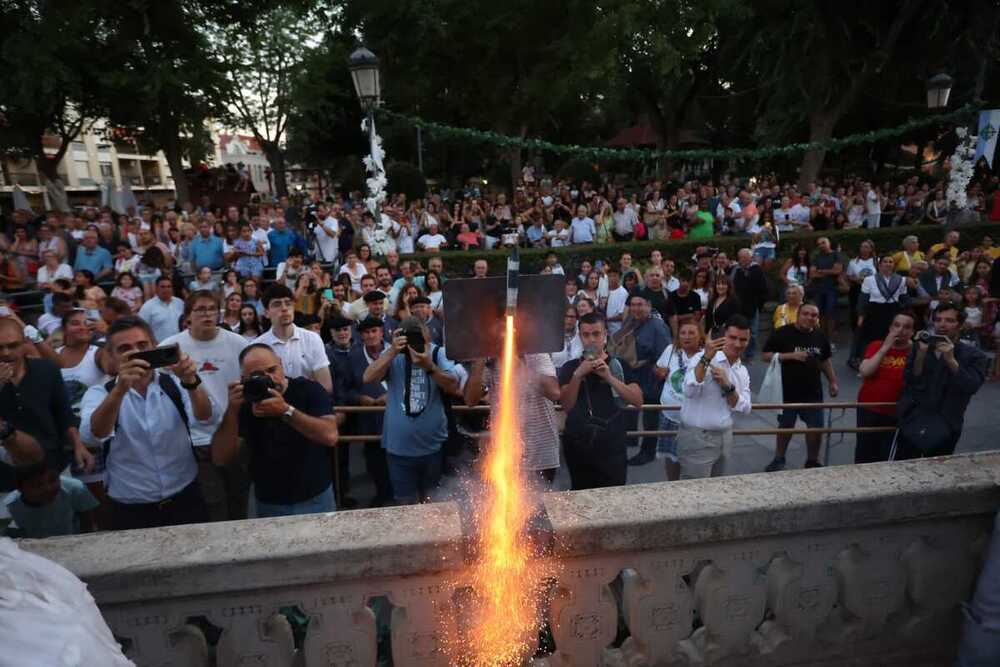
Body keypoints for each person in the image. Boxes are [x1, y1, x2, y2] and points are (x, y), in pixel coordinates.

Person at [79, 316, 215, 530]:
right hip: (131, 508)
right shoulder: (99, 393)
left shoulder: (174, 383)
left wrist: (191, 380)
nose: (136, 353)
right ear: (112, 357)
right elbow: (92, 435)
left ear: (154, 346)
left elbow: (205, 415)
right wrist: (120, 390)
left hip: (186, 498)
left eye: (143, 345)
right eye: (125, 349)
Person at [211, 344, 339, 517]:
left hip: (314, 496)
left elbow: (330, 436)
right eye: (258, 376)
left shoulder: (309, 390)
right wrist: (232, 410)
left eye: (272, 369)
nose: (269, 378)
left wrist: (286, 411)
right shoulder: (244, 402)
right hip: (268, 501)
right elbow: (221, 458)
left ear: (281, 363)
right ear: (243, 378)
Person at [161, 291, 249, 522]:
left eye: (212, 308)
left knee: (239, 498)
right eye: (200, 309)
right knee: (213, 504)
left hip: (234, 435)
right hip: (195, 439)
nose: (207, 314)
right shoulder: (171, 347)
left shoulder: (238, 343)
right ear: (188, 316)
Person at [362, 316, 460, 504]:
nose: (415, 342)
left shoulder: (438, 353)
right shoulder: (392, 355)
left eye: (418, 336)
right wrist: (392, 351)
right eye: (410, 337)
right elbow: (367, 377)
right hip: (398, 449)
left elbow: (453, 386)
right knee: (405, 503)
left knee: (434, 504)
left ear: (428, 335)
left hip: (433, 447)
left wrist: (429, 366)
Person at [558, 312, 643, 490]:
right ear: (580, 336)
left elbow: (637, 400)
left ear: (605, 335)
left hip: (612, 443)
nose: (591, 340)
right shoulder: (570, 367)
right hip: (578, 443)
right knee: (580, 498)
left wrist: (610, 378)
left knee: (614, 497)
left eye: (596, 334)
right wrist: (577, 375)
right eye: (586, 335)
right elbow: (566, 405)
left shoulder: (619, 365)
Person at [894, 304, 988, 460]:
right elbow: (910, 381)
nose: (942, 324)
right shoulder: (921, 347)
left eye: (949, 320)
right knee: (902, 470)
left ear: (961, 324)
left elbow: (971, 386)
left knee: (939, 474)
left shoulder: (974, 355)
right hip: (913, 419)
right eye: (938, 320)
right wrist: (921, 355)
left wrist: (951, 361)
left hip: (947, 422)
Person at [762, 302, 839, 471]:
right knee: (785, 427)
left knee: (816, 429)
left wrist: (833, 381)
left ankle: (812, 460)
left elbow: (825, 360)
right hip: (787, 391)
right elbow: (766, 355)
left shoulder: (820, 336)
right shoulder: (783, 333)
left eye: (814, 315)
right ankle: (779, 458)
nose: (810, 317)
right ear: (798, 314)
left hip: (813, 392)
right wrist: (791, 356)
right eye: (806, 314)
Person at [465, 352, 562, 487]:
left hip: (540, 453)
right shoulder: (491, 360)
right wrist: (479, 362)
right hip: (506, 455)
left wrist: (520, 367)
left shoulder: (537, 355)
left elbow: (554, 392)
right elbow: (470, 400)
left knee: (538, 505)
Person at [676, 316, 752, 479]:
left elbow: (744, 407)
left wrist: (728, 385)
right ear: (724, 337)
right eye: (733, 338)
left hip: (725, 437)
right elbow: (690, 391)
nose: (738, 344)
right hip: (698, 438)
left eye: (743, 340)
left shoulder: (742, 370)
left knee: (716, 492)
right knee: (695, 494)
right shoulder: (701, 358)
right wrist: (706, 358)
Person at [0, 318, 79, 473]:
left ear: (24, 344)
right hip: (7, 467)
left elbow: (64, 414)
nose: (6, 353)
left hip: (51, 462)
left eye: (13, 345)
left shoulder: (46, 369)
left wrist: (78, 445)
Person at [345, 316, 394, 506]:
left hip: (397, 416)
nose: (371, 335)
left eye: (374, 331)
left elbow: (412, 380)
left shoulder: (396, 351)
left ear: (382, 332)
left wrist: (392, 395)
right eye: (366, 332)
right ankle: (382, 494)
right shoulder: (354, 357)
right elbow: (346, 388)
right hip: (370, 420)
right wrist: (358, 398)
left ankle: (402, 495)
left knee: (398, 457)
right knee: (375, 461)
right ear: (361, 336)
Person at [854, 312, 915, 463]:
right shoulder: (876, 345)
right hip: (868, 408)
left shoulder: (916, 351)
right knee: (863, 451)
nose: (901, 330)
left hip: (895, 411)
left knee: (884, 454)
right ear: (890, 328)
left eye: (906, 327)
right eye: (897, 325)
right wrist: (885, 348)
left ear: (912, 332)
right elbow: (865, 371)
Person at [253, 285, 332, 393]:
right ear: (266, 313)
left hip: (308, 406)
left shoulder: (313, 339)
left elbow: (326, 386)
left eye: (288, 303)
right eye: (277, 304)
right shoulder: (257, 346)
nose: (284, 308)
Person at [621, 294, 670, 467]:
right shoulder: (633, 321)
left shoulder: (658, 326)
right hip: (633, 377)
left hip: (651, 379)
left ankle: (648, 451)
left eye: (640, 304)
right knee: (629, 411)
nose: (636, 308)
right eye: (633, 305)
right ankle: (631, 439)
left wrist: (644, 363)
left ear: (648, 305)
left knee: (650, 416)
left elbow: (665, 356)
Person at [653, 322, 703, 481]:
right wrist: (659, 372)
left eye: (691, 332)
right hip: (669, 416)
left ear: (700, 335)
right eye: (683, 333)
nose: (687, 336)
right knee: (670, 456)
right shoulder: (671, 350)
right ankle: (672, 484)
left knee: (692, 458)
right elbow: (657, 367)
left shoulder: (705, 357)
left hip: (694, 420)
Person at [4, 462, 98, 538]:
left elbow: (88, 528)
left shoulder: (75, 489)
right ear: (20, 488)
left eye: (53, 480)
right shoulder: (10, 508)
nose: (48, 488)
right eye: (38, 485)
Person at [855, 255, 907, 365]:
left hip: (892, 311)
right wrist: (861, 316)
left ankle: (889, 362)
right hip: (874, 311)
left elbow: (903, 299)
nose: (888, 264)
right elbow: (863, 300)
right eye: (885, 261)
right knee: (872, 339)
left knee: (891, 337)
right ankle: (868, 362)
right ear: (879, 265)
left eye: (890, 262)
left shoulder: (901, 280)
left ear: (894, 265)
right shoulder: (870, 280)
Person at [730, 249, 769, 359]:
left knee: (752, 333)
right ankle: (736, 354)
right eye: (740, 257)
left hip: (752, 306)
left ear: (750, 258)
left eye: (745, 257)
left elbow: (763, 290)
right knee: (736, 332)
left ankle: (749, 355)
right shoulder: (736, 270)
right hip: (737, 308)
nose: (742, 260)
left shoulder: (757, 270)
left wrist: (759, 305)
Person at [807, 237, 843, 341]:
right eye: (819, 244)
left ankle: (830, 339)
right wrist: (829, 271)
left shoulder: (836, 255)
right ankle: (821, 338)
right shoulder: (816, 257)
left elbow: (838, 271)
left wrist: (821, 271)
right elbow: (812, 274)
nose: (821, 245)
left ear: (829, 243)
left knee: (830, 313)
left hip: (832, 288)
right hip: (818, 288)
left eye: (823, 242)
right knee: (820, 314)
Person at [137, 275, 185, 343]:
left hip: (181, 344)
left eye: (169, 286)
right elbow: (141, 328)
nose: (166, 289)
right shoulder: (147, 307)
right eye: (162, 287)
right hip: (161, 346)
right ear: (156, 288)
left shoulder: (180, 303)